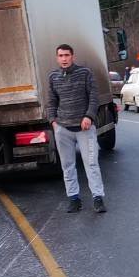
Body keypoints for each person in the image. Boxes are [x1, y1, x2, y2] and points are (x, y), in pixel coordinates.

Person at [47, 44, 106, 212]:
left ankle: (98, 198)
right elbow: (51, 102)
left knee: (91, 163)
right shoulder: (53, 77)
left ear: (73, 56)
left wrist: (88, 116)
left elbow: (94, 98)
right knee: (67, 165)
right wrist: (53, 121)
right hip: (63, 129)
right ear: (57, 58)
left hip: (84, 128)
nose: (64, 58)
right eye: (60, 55)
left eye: (67, 55)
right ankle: (74, 199)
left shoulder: (85, 73)